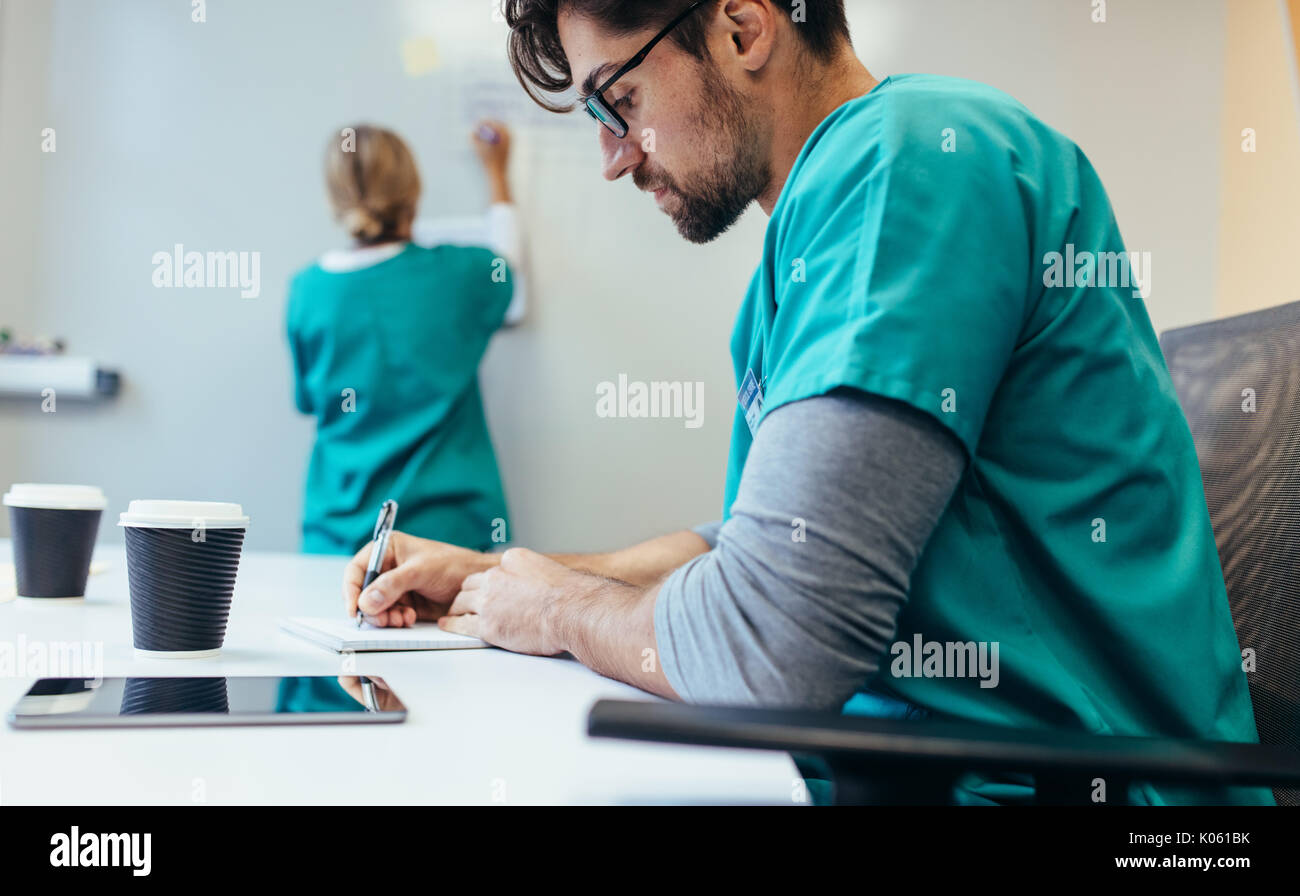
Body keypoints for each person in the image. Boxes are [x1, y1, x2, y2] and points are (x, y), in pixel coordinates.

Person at [340, 1, 1264, 805]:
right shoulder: (826, 223)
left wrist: (559, 612)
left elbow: (772, 645)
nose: (613, 157)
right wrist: (504, 578)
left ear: (742, 25)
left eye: (618, 101)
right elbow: (755, 542)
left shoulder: (912, 165)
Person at [288, 122, 526, 555]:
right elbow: (508, 266)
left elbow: (308, 401)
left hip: (335, 543)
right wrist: (496, 172)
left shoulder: (308, 291)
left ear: (334, 200)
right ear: (413, 193)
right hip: (445, 542)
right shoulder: (461, 275)